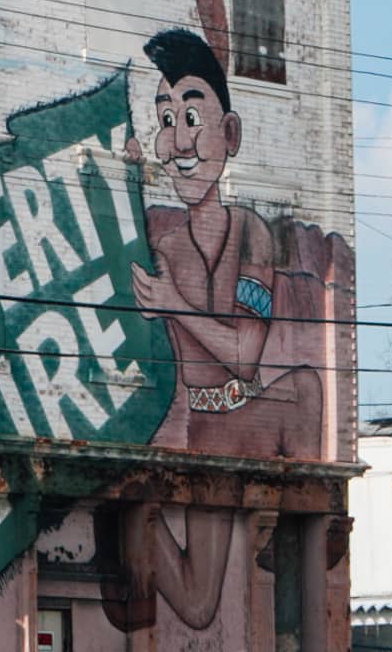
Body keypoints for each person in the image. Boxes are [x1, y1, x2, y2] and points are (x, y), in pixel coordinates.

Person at [122, 25, 325, 463]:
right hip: (198, 425)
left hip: (247, 415)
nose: (177, 142)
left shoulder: (251, 232)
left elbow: (244, 356)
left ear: (229, 134)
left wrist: (172, 302)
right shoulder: (163, 241)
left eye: (191, 119)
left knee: (308, 385)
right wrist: (125, 178)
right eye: (166, 121)